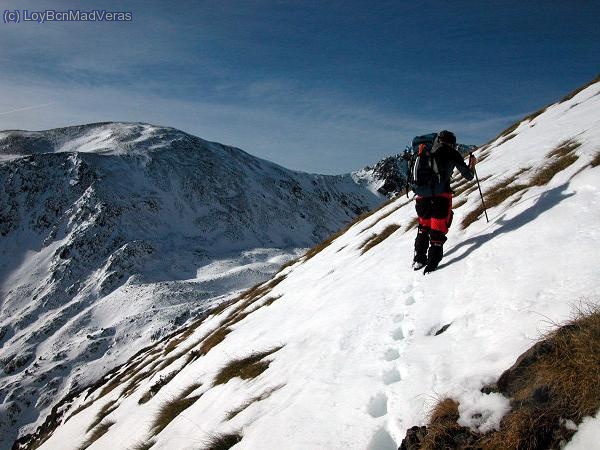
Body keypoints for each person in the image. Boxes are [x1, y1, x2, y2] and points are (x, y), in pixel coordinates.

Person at [412, 130, 477, 273]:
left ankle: (419, 259)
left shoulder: (424, 152)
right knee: (437, 229)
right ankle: (432, 266)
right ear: (452, 143)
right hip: (441, 196)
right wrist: (472, 164)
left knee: (423, 227)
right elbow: (468, 176)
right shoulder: (452, 153)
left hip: (422, 196)